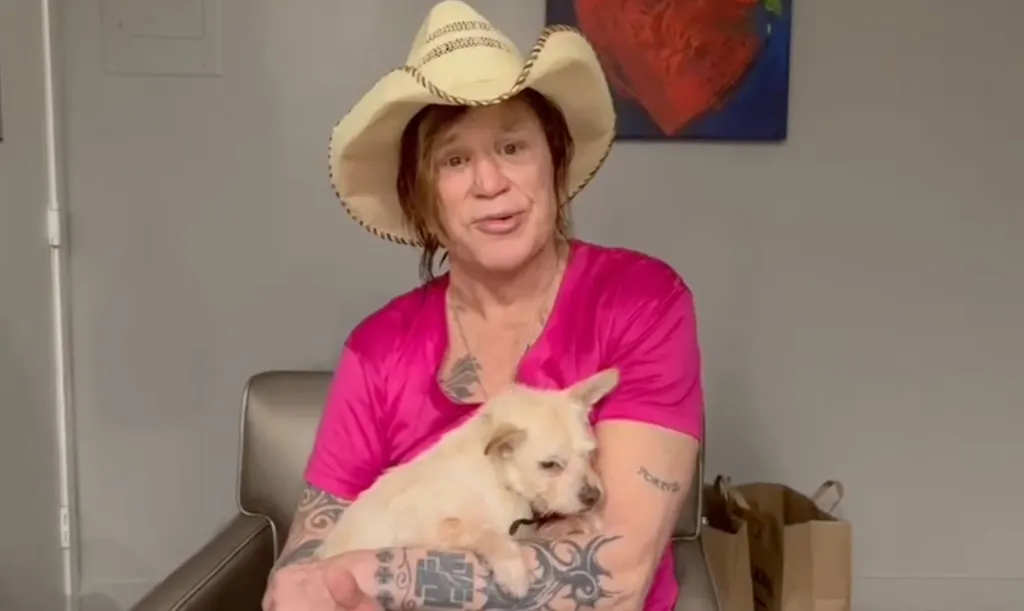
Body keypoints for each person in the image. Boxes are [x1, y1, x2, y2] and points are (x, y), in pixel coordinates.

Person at [261, 2, 704, 610]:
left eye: (513, 146)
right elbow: (306, 564)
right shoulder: (377, 350)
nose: (490, 182)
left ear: (555, 162)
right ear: (423, 203)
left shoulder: (642, 303)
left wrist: (371, 575)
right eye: (454, 159)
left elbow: (618, 575)